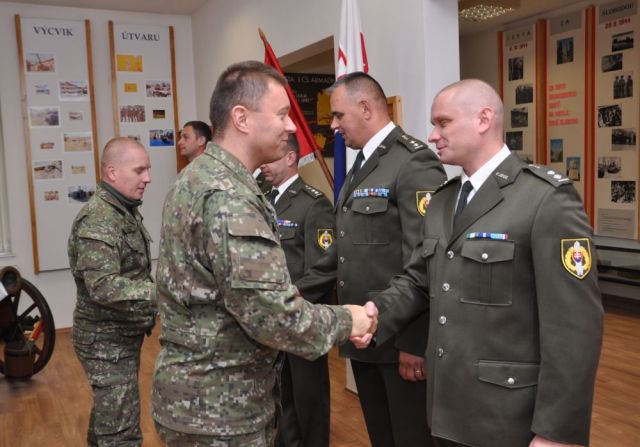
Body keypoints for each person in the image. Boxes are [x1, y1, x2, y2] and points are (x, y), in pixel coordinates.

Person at [362, 79, 603, 447]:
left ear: (483, 119)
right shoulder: (442, 201)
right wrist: (373, 314)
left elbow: (574, 327)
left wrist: (557, 431)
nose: (433, 135)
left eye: (443, 123)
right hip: (445, 409)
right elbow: (419, 282)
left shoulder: (544, 199)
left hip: (507, 416)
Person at [151, 60, 377, 446]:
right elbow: (274, 317)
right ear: (242, 118)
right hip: (221, 412)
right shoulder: (228, 197)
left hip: (197, 399)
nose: (292, 127)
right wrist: (350, 320)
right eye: (282, 114)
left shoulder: (198, 177)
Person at [296, 72, 446, 447]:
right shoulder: (362, 164)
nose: (333, 126)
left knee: (411, 439)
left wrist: (415, 342)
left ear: (365, 108)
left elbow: (425, 260)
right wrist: (295, 293)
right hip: (364, 337)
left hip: (399, 342)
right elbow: (344, 249)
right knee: (382, 437)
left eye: (338, 115)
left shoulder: (413, 162)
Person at [68, 137, 156, 446]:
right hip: (106, 342)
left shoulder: (122, 210)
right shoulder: (100, 218)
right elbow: (103, 286)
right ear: (112, 172)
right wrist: (161, 293)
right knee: (121, 434)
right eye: (139, 170)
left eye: (147, 169)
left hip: (119, 337)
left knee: (108, 421)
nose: (147, 178)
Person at [260, 134, 335, 447]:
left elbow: (325, 265)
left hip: (302, 318)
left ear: (291, 158)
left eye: (271, 158)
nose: (263, 165)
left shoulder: (313, 203)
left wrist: (295, 294)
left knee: (308, 399)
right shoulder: (261, 199)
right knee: (279, 394)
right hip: (271, 317)